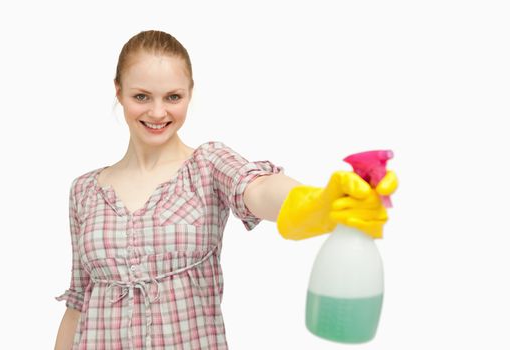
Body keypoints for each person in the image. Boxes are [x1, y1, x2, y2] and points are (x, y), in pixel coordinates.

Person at [54, 30, 397, 350]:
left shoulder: (208, 164)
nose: (158, 112)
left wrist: (316, 202)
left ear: (190, 92)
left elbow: (259, 190)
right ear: (119, 92)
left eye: (173, 97)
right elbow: (78, 303)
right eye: (141, 96)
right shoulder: (85, 190)